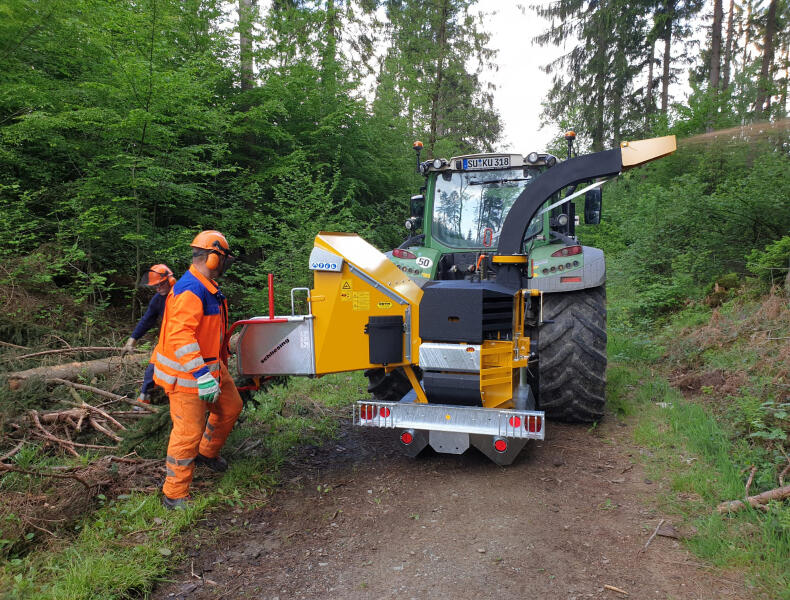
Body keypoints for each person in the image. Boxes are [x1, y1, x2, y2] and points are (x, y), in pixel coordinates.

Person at [152, 230, 242, 509]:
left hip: (211, 370)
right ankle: (174, 494)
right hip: (188, 376)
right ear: (214, 259)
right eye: (224, 259)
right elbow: (181, 337)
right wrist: (202, 375)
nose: (225, 265)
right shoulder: (192, 289)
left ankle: (207, 453)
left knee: (231, 407)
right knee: (187, 432)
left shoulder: (206, 287)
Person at [122, 264, 176, 405]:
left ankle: (171, 400)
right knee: (151, 370)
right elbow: (147, 319)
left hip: (183, 341)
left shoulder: (182, 295)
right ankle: (144, 400)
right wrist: (133, 339)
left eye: (161, 285)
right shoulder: (158, 299)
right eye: (155, 286)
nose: (158, 289)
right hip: (166, 341)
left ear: (170, 280)